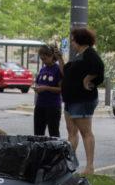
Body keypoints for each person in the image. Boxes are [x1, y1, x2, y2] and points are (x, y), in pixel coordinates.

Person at [61, 28, 104, 175]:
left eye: (73, 39)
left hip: (82, 99)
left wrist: (88, 79)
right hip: (71, 99)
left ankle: (90, 167)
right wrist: (60, 58)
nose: (72, 42)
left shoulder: (90, 54)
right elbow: (66, 72)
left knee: (86, 133)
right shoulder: (80, 55)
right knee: (71, 132)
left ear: (79, 40)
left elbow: (99, 68)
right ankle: (69, 164)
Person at [33, 45, 63, 137]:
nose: (43, 61)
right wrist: (37, 88)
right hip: (40, 105)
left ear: (51, 56)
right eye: (41, 59)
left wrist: (46, 88)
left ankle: (55, 152)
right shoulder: (43, 69)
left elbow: (61, 89)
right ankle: (39, 151)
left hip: (53, 106)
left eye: (45, 58)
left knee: (53, 133)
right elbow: (38, 83)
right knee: (38, 134)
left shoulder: (58, 69)